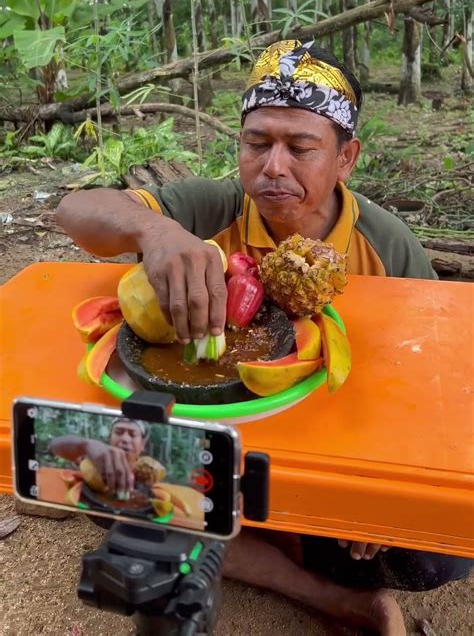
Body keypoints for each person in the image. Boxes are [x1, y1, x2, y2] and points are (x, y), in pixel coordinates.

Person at [56, 40, 471, 635]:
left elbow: (443, 370)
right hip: (218, 449)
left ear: (346, 157)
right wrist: (154, 230)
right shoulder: (210, 208)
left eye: (301, 147)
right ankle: (330, 596)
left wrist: (387, 491)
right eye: (257, 144)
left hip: (334, 459)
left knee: (435, 552)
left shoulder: (385, 243)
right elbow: (76, 208)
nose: (273, 166)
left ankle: (254, 536)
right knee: (112, 480)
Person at [49, 417, 158, 497]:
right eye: (118, 432)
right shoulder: (95, 461)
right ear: (110, 437)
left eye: (132, 434)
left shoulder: (149, 471)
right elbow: (54, 446)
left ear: (143, 444)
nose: (125, 439)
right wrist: (84, 445)